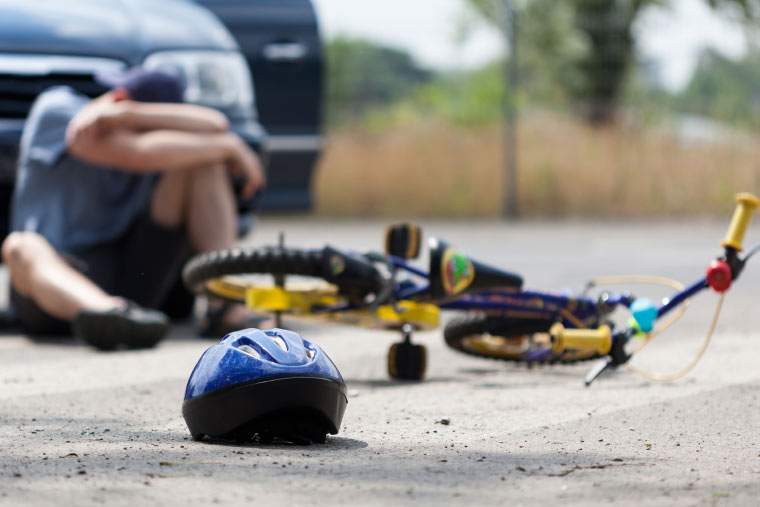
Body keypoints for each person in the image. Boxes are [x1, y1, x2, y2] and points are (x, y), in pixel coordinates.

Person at [2, 67, 266, 349]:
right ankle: (110, 316)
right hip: (51, 290)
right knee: (21, 245)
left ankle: (223, 304)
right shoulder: (59, 111)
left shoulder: (141, 127)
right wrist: (229, 146)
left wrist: (129, 114)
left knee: (204, 160)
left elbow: (217, 125)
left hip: (131, 281)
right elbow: (135, 152)